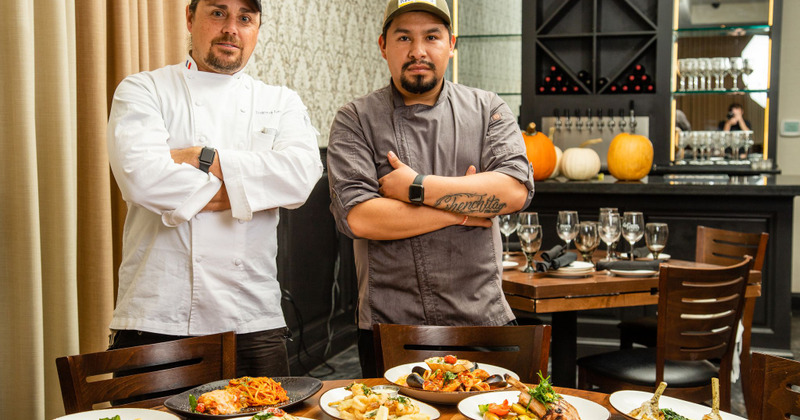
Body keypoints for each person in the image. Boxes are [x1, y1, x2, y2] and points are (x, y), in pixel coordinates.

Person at [106, 0, 323, 377]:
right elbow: (143, 180)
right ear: (190, 18)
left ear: (257, 28)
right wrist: (252, 189)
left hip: (252, 317)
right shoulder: (144, 89)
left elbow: (300, 178)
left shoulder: (280, 102)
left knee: (267, 410)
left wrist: (199, 156)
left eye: (245, 18)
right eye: (218, 13)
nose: (231, 29)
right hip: (157, 315)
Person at [326, 0, 534, 377]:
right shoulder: (355, 119)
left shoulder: (488, 109)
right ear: (383, 46)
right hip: (390, 325)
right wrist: (462, 211)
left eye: (432, 37)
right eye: (404, 37)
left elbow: (514, 190)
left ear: (451, 44)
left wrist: (416, 187)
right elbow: (359, 218)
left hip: (482, 318)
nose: (418, 51)